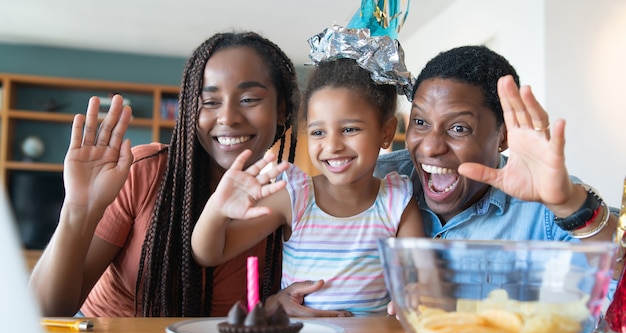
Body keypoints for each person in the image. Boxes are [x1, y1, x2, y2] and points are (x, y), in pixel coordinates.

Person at [29, 32, 301, 317]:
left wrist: (271, 307)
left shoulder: (291, 197)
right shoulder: (143, 173)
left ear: (281, 110)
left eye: (248, 99)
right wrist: (78, 208)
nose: (228, 117)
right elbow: (45, 311)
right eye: (209, 102)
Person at [191, 51, 424, 316]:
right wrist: (217, 209)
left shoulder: (398, 201)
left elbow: (416, 284)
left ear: (386, 133)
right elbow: (209, 253)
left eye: (349, 129)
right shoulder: (295, 196)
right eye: (318, 132)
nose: (333, 146)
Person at [375, 44, 617, 242]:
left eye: (459, 128)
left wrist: (570, 206)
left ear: (504, 137)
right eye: (420, 122)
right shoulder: (378, 181)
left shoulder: (547, 202)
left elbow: (616, 284)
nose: (429, 147)